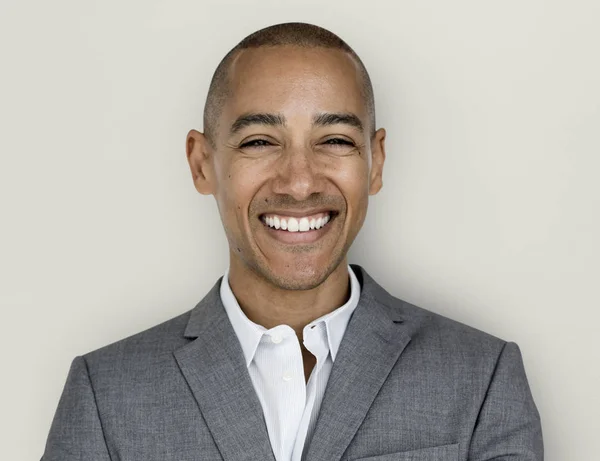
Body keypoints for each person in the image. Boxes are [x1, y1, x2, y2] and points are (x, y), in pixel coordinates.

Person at [42, 22, 543, 461]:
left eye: (335, 141)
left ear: (376, 160)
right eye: (260, 141)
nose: (299, 182)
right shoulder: (105, 394)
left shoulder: (481, 377)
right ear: (202, 164)